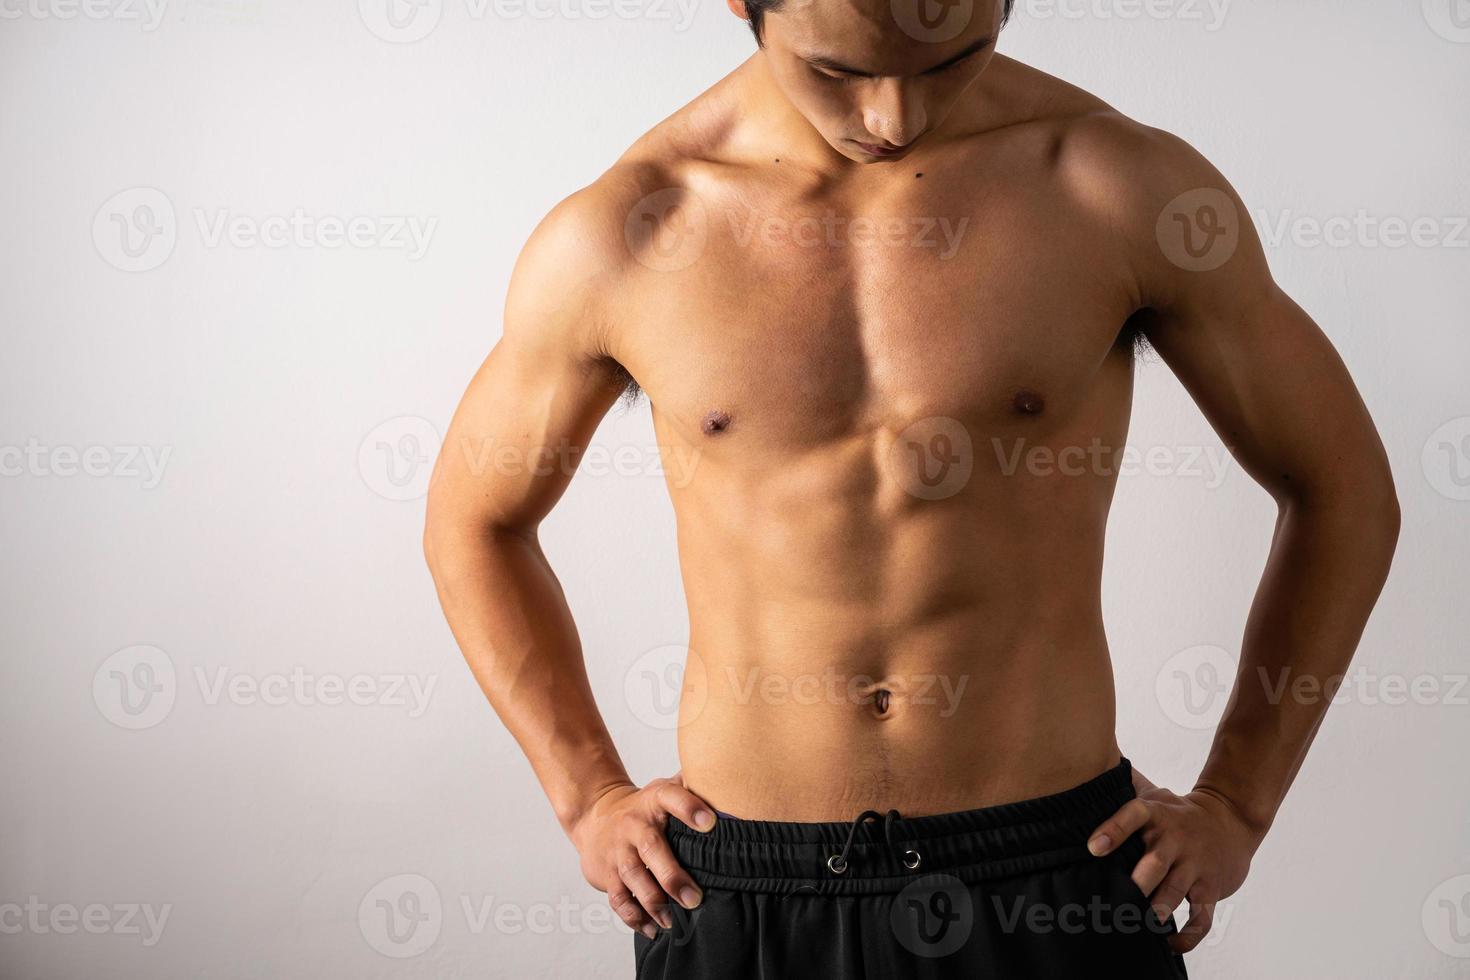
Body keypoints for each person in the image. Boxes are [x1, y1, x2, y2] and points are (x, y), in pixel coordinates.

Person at [423, 0, 1400, 974]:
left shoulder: (1120, 189)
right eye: (839, 73)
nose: (894, 120)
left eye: (953, 61)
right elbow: (476, 518)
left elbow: (1342, 487)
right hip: (749, 891)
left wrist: (1236, 802)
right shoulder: (633, 228)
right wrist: (587, 794)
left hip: (1054, 874)